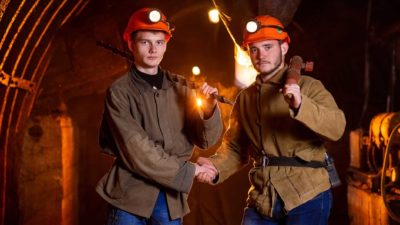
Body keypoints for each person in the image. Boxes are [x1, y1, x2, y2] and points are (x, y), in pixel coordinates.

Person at [196, 15, 346, 225]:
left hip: (306, 194)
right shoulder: (246, 98)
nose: (260, 55)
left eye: (267, 46)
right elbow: (235, 148)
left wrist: (301, 105)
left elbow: (337, 127)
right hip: (263, 196)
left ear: (284, 48)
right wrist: (214, 167)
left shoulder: (309, 87)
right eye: (254, 49)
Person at [96, 8, 223, 225]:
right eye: (145, 42)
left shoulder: (181, 88)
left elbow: (205, 141)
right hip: (130, 198)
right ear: (130, 44)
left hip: (170, 198)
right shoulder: (119, 92)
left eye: (159, 42)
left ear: (166, 44)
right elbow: (137, 149)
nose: (154, 49)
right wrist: (191, 171)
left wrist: (210, 111)